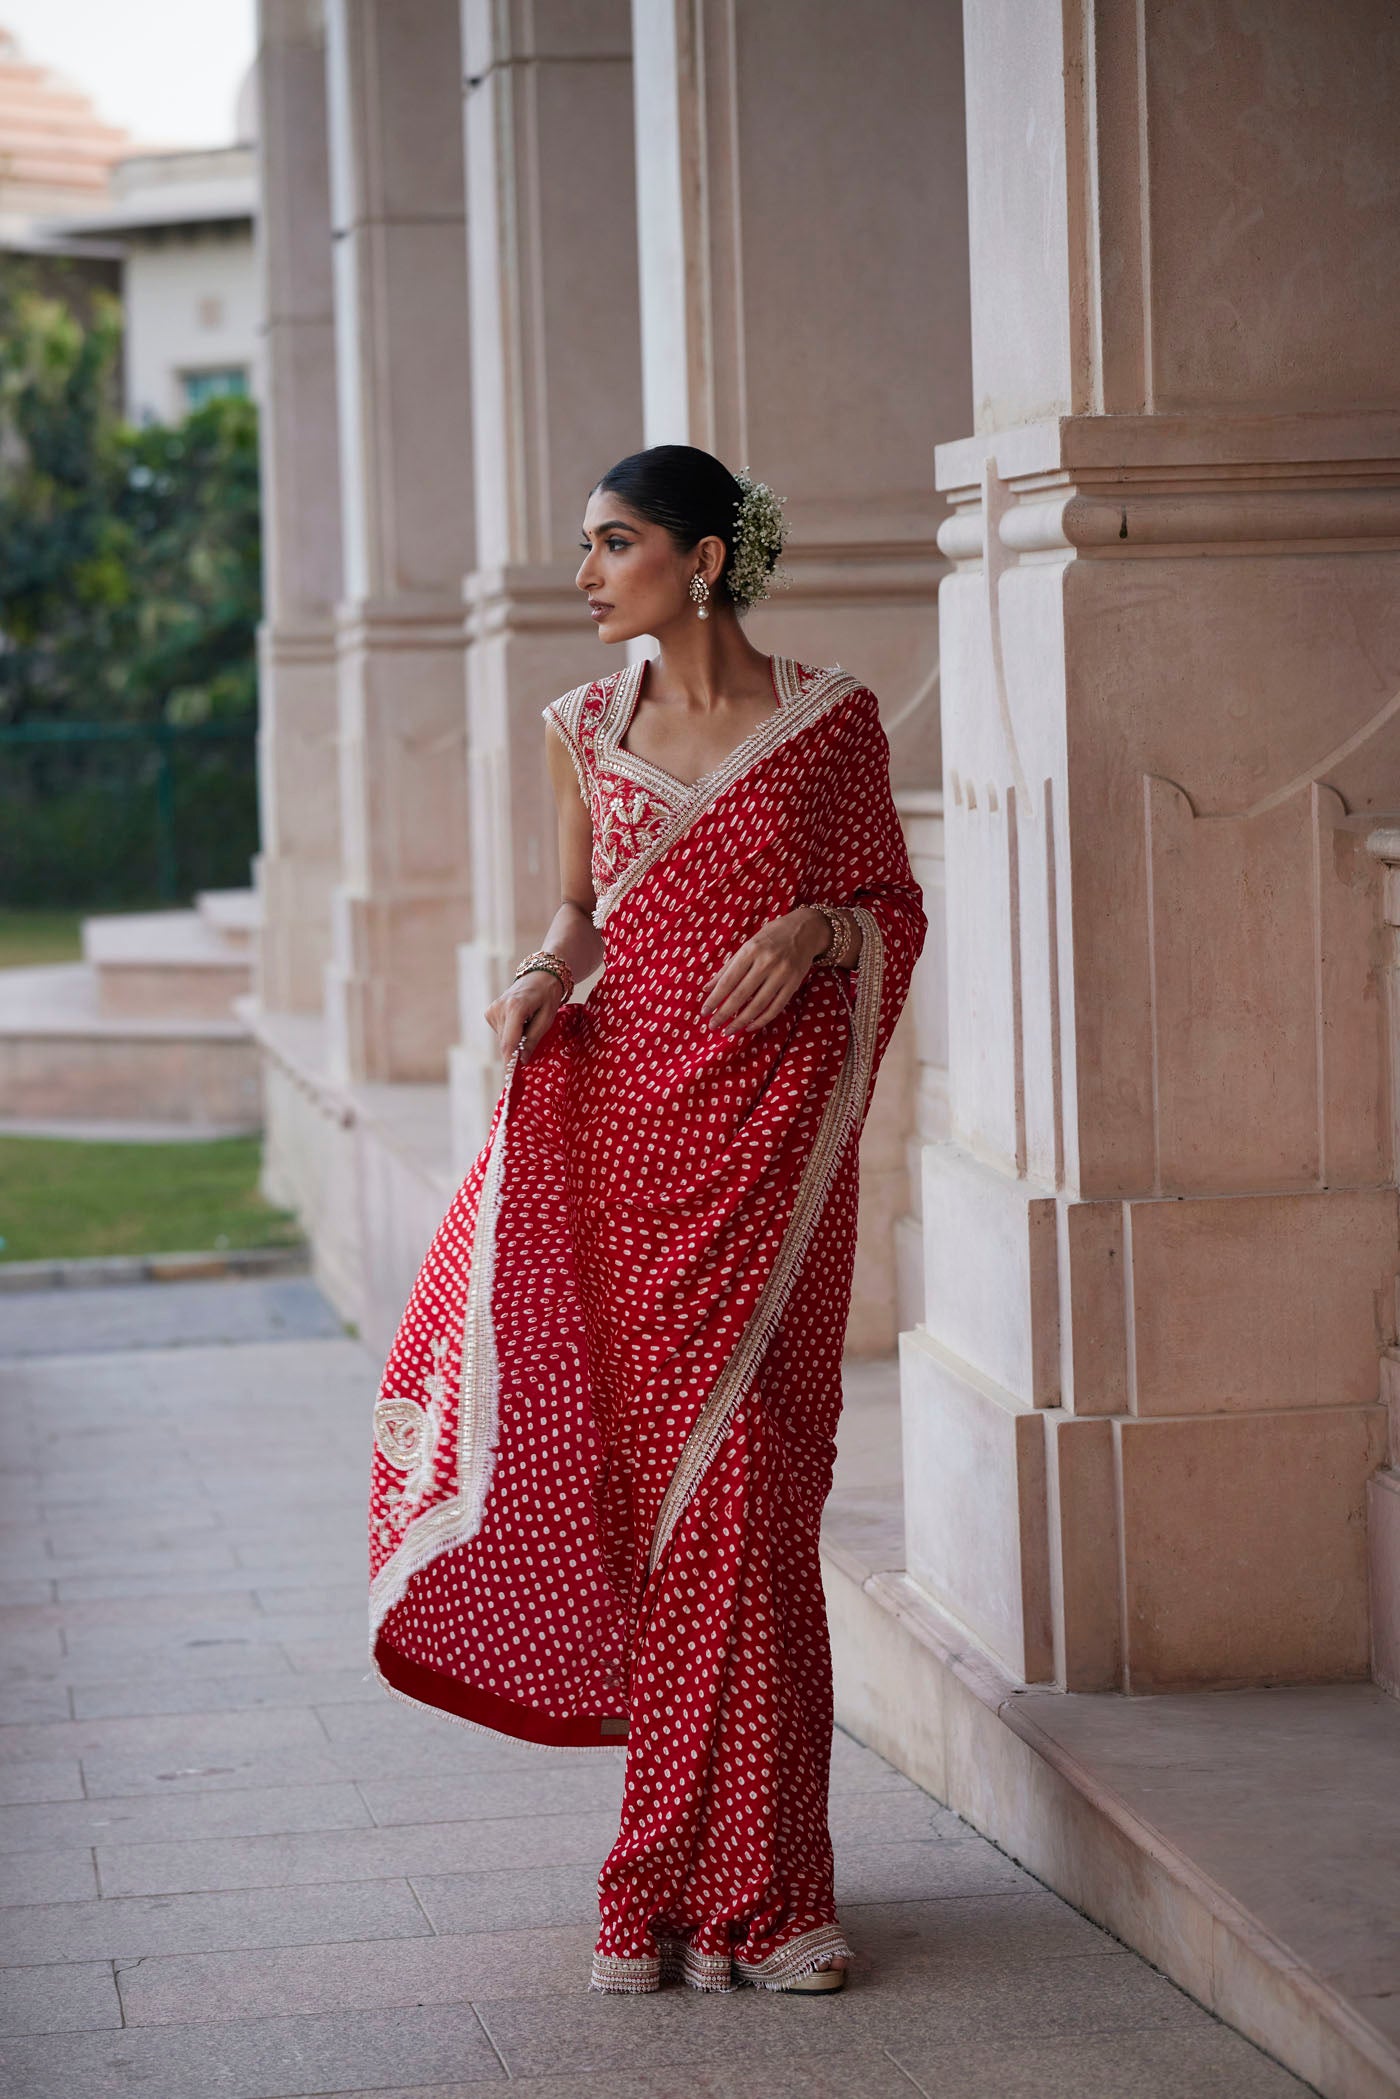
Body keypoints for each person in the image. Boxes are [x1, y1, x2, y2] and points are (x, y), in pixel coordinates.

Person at [367, 444, 927, 1996]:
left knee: (750, 1499)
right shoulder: (580, 730)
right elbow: (579, 915)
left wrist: (823, 927)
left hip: (771, 1161)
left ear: (702, 559)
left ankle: (774, 1891)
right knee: (666, 1519)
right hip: (624, 1147)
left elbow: (895, 908)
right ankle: (659, 1889)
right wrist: (544, 981)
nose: (585, 575)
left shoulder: (830, 727)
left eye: (613, 545)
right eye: (588, 548)